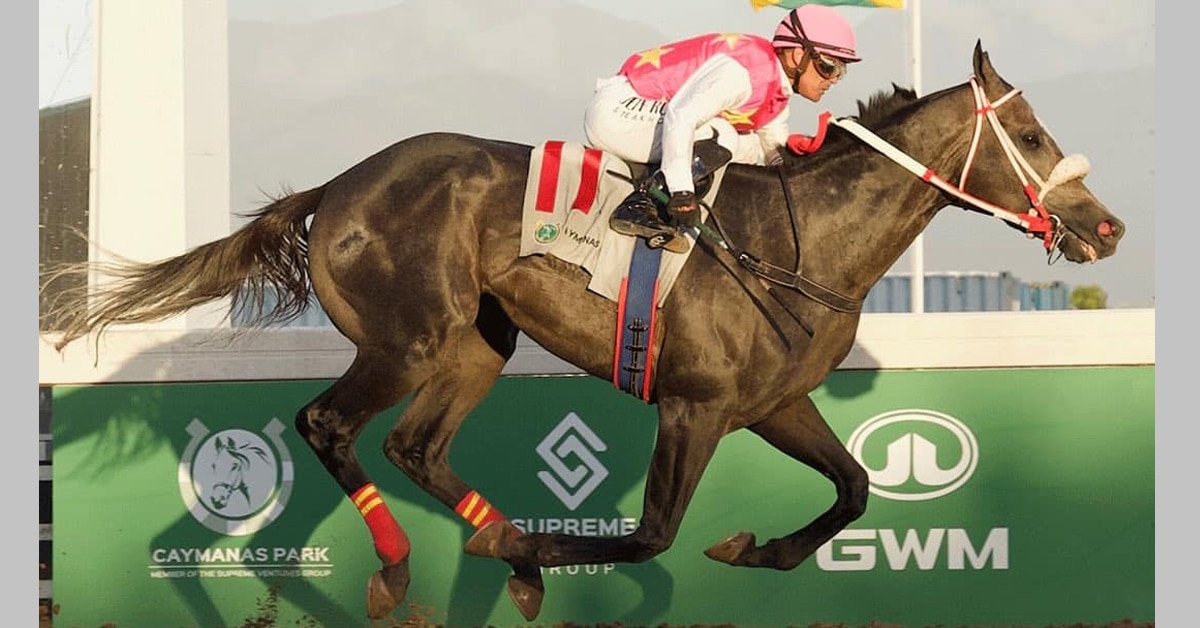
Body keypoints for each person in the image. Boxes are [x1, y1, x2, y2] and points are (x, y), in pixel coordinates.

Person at [583, 3, 862, 253]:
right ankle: (640, 205)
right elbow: (682, 116)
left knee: (748, 147)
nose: (834, 79)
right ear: (796, 55)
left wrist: (805, 164)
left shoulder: (777, 90)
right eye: (828, 67)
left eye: (842, 70)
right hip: (618, 111)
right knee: (722, 134)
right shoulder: (741, 74)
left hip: (646, 115)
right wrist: (682, 191)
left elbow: (772, 153)